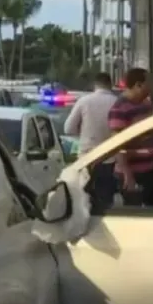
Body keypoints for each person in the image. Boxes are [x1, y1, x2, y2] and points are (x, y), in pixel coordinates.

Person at [108, 68, 153, 207]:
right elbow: (117, 145)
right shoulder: (119, 109)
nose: (152, 86)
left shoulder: (147, 105)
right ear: (138, 85)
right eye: (149, 82)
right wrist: (128, 174)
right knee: (137, 216)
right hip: (134, 173)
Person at [64, 72, 118, 211]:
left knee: (83, 199)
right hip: (109, 159)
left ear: (95, 85)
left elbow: (68, 128)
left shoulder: (84, 101)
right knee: (105, 201)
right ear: (110, 84)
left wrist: (84, 134)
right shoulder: (117, 102)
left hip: (86, 158)